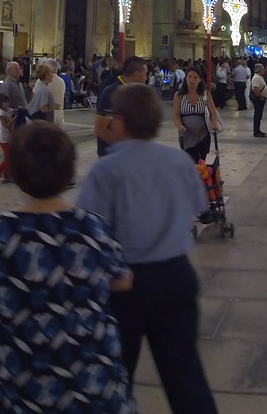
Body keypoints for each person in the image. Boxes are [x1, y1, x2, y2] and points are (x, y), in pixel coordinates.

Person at [0, 122, 138, 413]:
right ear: (68, 172)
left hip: (25, 389)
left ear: (17, 173)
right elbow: (124, 281)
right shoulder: (92, 226)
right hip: (98, 388)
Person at [78, 83, 216, 414]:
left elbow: (88, 231)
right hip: (176, 276)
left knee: (116, 372)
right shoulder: (179, 162)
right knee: (185, 374)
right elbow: (200, 206)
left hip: (126, 283)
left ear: (121, 121)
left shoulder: (106, 170)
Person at [173, 65, 217, 161]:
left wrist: (213, 124)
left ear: (200, 79)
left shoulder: (205, 94)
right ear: (185, 78)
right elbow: (176, 115)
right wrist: (179, 126)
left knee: (201, 163)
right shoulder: (179, 95)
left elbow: (213, 112)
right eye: (189, 76)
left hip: (203, 136)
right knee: (189, 161)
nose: (192, 80)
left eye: (195, 77)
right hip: (186, 136)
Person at [0, 90, 16, 182]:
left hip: (9, 138)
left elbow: (14, 110)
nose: (7, 104)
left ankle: (7, 175)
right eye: (5, 102)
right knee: (8, 157)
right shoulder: (1, 113)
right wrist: (15, 118)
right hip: (3, 139)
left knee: (9, 156)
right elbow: (6, 126)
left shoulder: (8, 110)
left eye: (8, 102)